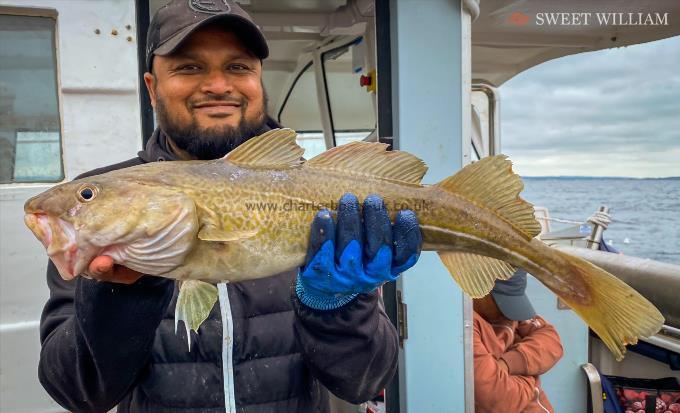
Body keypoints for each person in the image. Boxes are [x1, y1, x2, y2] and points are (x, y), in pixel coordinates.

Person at [37, 1, 422, 412]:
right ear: (152, 87)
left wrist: (335, 304)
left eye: (239, 67)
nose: (219, 85)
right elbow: (77, 393)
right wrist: (118, 295)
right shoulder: (102, 221)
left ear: (259, 80)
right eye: (189, 67)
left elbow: (365, 381)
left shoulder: (325, 195)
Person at [473, 270, 564, 413]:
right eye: (503, 302)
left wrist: (508, 364)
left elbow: (552, 341)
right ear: (478, 289)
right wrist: (532, 379)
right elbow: (498, 398)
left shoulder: (511, 314)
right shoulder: (465, 325)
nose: (508, 313)